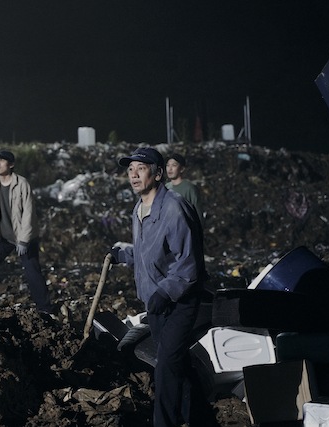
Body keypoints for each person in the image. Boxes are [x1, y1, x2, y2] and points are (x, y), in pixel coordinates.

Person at [107, 147, 206, 427]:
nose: (134, 174)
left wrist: (165, 292)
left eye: (141, 168)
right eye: (130, 169)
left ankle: (163, 423)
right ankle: (201, 420)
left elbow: (189, 263)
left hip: (180, 301)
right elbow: (146, 252)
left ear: (158, 173)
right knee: (177, 366)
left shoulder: (174, 208)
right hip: (157, 302)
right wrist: (122, 254)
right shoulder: (139, 208)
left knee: (165, 365)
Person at [0, 150, 52, 313]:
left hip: (23, 237)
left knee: (32, 271)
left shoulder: (21, 184)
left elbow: (28, 213)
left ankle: (45, 308)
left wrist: (24, 240)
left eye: (2, 161)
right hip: (3, 237)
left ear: (11, 165)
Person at [165, 153, 204, 227]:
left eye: (174, 165)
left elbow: (198, 213)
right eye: (168, 165)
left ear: (182, 169)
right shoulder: (166, 187)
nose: (170, 168)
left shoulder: (190, 188)